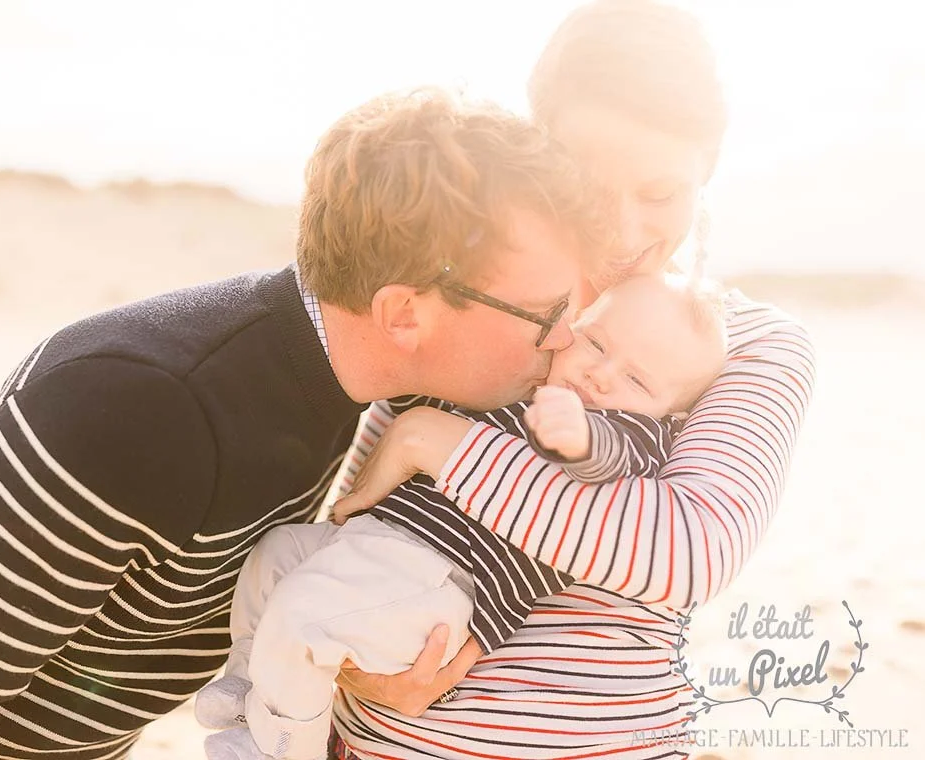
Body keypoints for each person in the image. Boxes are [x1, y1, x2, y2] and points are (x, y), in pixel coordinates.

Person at [0, 88, 598, 760]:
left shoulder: (343, 380)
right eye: (545, 312)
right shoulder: (135, 413)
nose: (566, 336)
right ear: (403, 313)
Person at [323, 2, 817, 759]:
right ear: (539, 146)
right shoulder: (468, 295)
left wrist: (439, 441)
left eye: (658, 194)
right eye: (588, 183)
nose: (622, 233)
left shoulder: (746, 346)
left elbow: (688, 552)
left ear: (709, 167)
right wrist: (343, 663)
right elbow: (354, 511)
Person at [194, 272, 727, 760]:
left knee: (302, 617)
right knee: (275, 554)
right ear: (573, 327)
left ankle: (283, 749)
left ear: (672, 413)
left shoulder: (634, 436)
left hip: (442, 583)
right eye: (596, 343)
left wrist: (581, 434)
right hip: (378, 547)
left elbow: (608, 457)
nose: (600, 375)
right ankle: (249, 689)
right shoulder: (527, 379)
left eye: (637, 380)